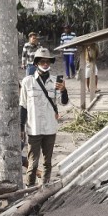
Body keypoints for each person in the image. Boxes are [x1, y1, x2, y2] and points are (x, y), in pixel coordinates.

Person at [19, 48, 68, 187]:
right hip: (33, 128)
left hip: (50, 128)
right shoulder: (27, 82)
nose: (45, 64)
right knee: (33, 163)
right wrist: (20, 127)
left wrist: (64, 90)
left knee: (47, 162)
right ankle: (29, 188)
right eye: (42, 61)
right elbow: (23, 106)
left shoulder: (55, 81)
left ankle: (44, 187)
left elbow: (63, 102)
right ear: (36, 63)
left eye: (47, 61)